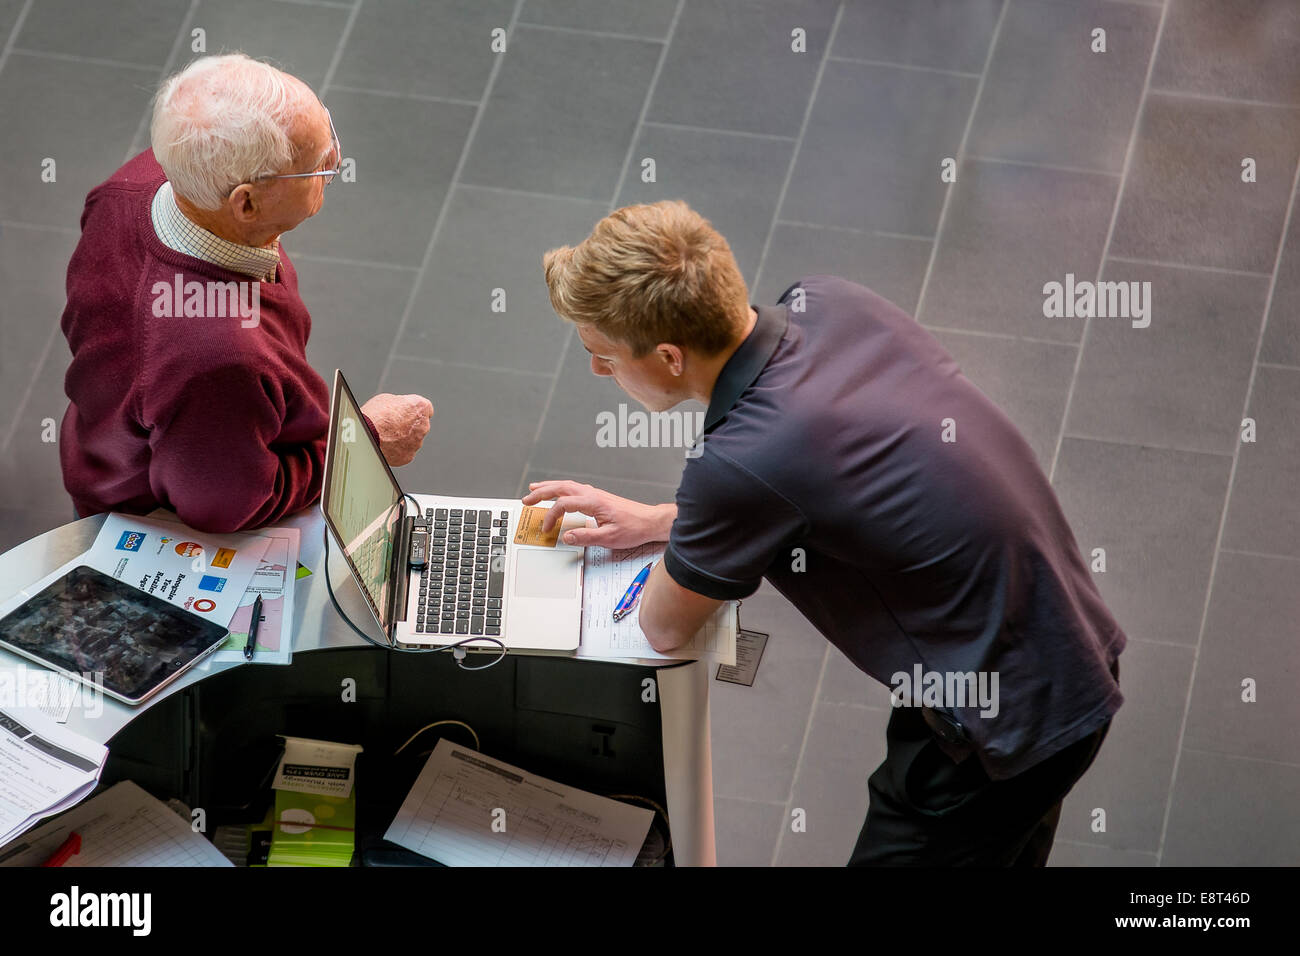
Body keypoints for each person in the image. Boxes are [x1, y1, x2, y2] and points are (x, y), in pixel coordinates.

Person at [525, 199, 1125, 866]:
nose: (597, 373)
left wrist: (692, 532)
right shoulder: (830, 303)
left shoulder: (737, 462)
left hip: (998, 727)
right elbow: (819, 480)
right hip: (1062, 641)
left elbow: (664, 626)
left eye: (602, 355)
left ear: (668, 356)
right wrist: (667, 522)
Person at [59, 53, 432, 532]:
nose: (337, 161)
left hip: (137, 443)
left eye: (329, 132)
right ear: (247, 203)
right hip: (157, 533)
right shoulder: (216, 360)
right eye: (315, 165)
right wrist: (365, 441)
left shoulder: (139, 185)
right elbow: (227, 507)